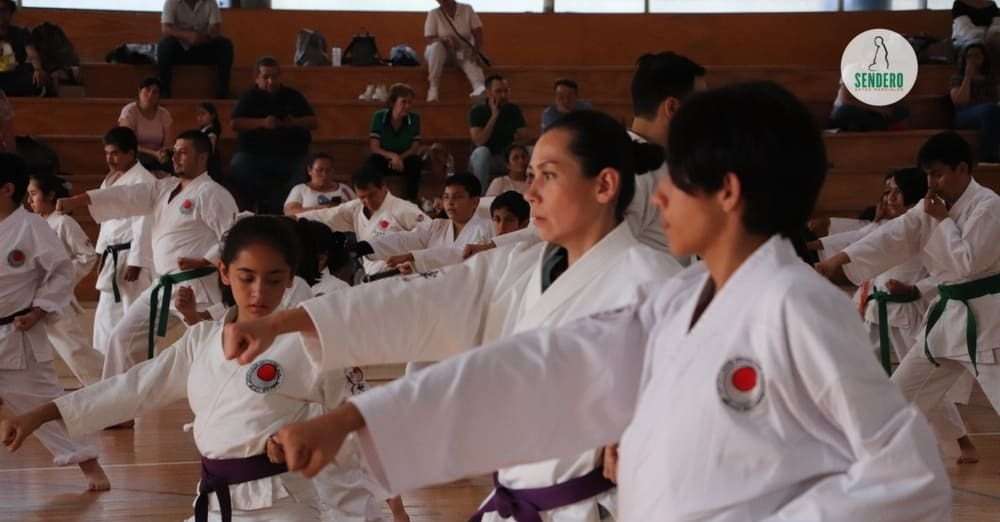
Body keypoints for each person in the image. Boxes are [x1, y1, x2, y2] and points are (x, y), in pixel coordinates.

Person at [246, 83, 951, 522]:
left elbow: (908, 477)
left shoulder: (796, 306)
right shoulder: (681, 303)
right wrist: (355, 417)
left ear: (728, 192)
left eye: (675, 180)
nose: (659, 198)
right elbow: (537, 368)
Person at [222, 110, 684, 522]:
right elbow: (421, 300)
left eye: (548, 176)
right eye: (531, 176)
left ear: (604, 185)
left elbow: (684, 414)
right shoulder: (519, 267)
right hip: (519, 499)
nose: (531, 193)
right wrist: (286, 321)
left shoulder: (651, 285)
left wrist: (646, 434)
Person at [0, 216, 385, 521]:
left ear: (289, 279)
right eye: (246, 277)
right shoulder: (202, 339)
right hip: (214, 503)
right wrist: (43, 413)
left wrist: (310, 440)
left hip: (283, 505)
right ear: (224, 273)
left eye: (274, 280)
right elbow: (134, 387)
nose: (258, 292)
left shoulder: (309, 342)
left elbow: (357, 420)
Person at [816, 130, 1000, 471]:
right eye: (928, 175)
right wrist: (838, 259)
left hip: (987, 323)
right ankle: (874, 464)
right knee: (900, 395)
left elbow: (968, 262)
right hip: (947, 322)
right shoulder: (930, 208)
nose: (932, 183)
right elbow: (892, 235)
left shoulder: (988, 207)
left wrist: (942, 221)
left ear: (962, 169)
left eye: (938, 174)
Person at [465, 52, 705, 261]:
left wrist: (494, 246)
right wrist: (494, 248)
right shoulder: (639, 169)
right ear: (672, 107)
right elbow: (592, 244)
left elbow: (563, 224)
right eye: (700, 105)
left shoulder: (620, 154)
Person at [56, 130, 238, 386]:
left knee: (212, 344)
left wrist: (206, 260)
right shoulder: (165, 188)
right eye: (175, 152)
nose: (176, 157)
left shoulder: (212, 193)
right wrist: (80, 199)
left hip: (197, 287)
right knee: (122, 339)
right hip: (162, 286)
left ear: (202, 157)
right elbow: (127, 195)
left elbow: (234, 234)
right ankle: (116, 400)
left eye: (183, 152)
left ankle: (230, 391)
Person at [0, 153, 108, 491]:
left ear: (7, 189)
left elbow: (61, 273)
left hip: (17, 333)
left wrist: (39, 309)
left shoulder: (32, 228)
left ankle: (90, 465)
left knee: (43, 402)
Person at [25, 173, 103, 388]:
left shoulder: (63, 222)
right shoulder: (34, 224)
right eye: (28, 195)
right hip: (32, 299)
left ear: (50, 195)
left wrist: (60, 280)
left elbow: (88, 256)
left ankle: (107, 388)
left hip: (55, 298)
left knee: (74, 349)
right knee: (27, 350)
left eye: (34, 194)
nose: (29, 200)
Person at [91, 127, 156, 360]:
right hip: (112, 255)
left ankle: (135, 369)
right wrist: (101, 254)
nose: (110, 159)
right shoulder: (110, 180)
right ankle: (105, 367)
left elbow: (144, 222)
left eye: (116, 153)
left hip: (130, 257)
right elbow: (106, 223)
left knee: (132, 318)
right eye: (107, 153)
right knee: (106, 316)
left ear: (131, 153)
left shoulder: (144, 180)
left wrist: (136, 261)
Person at [353, 173, 492, 276]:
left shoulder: (486, 229)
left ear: (475, 202)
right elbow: (406, 239)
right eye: (446, 197)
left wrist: (413, 257)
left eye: (457, 197)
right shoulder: (437, 226)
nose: (450, 202)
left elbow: (457, 255)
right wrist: (367, 247)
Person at [299, 168, 428, 275]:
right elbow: (325, 215)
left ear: (383, 187)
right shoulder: (356, 208)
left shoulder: (404, 209)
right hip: (371, 276)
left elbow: (432, 236)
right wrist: (294, 219)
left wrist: (413, 259)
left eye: (372, 195)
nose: (367, 201)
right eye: (362, 197)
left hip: (403, 275)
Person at [230, 57, 318, 215]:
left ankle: (284, 208)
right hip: (254, 155)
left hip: (291, 155)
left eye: (274, 76)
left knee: (305, 167)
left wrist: (294, 122)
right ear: (257, 78)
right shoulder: (248, 97)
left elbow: (313, 121)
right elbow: (235, 123)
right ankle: (258, 206)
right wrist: (262, 123)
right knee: (239, 164)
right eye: (266, 77)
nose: (271, 81)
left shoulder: (293, 96)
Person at [158, 0, 234, 99]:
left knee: (225, 45)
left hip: (203, 49)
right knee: (164, 46)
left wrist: (202, 37)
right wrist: (187, 35)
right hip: (180, 51)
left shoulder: (210, 2)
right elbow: (165, 29)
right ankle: (164, 91)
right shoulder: (171, 2)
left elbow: (216, 28)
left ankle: (223, 92)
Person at [366, 83, 423, 202]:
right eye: (404, 102)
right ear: (393, 102)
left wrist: (399, 158)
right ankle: (377, 197)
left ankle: (411, 200)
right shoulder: (379, 116)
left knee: (416, 162)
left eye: (410, 102)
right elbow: (374, 147)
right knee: (373, 161)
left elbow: (414, 148)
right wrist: (393, 156)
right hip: (385, 158)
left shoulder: (414, 118)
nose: (407, 106)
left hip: (404, 159)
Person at [469, 75, 526, 192]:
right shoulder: (477, 111)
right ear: (488, 93)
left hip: (506, 157)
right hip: (486, 159)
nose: (503, 95)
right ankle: (480, 196)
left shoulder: (513, 110)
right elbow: (479, 141)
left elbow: (525, 136)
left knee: (531, 150)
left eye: (506, 91)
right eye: (499, 91)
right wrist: (494, 116)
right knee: (482, 152)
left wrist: (517, 143)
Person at [424, 0, 486, 102]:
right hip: (440, 54)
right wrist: (444, 40)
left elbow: (478, 33)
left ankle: (479, 88)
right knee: (436, 47)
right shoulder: (433, 13)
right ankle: (433, 88)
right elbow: (429, 39)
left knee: (469, 55)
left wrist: (475, 52)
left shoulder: (467, 9)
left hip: (460, 51)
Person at [950, 43, 1000, 162]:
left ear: (984, 58)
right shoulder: (958, 78)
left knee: (991, 111)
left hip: (989, 112)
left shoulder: (991, 79)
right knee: (989, 110)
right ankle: (988, 155)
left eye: (977, 56)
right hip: (964, 114)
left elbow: (996, 98)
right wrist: (967, 77)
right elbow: (960, 101)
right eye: (969, 56)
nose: (972, 60)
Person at [118, 77, 175, 175]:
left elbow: (168, 142)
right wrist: (153, 154)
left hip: (158, 156)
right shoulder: (129, 111)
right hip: (136, 153)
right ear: (139, 91)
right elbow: (127, 142)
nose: (150, 95)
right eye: (147, 90)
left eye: (155, 92)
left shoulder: (164, 113)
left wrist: (162, 153)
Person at [284, 153, 356, 216]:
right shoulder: (300, 189)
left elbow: (358, 208)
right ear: (309, 170)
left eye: (328, 170)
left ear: (333, 171)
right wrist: (321, 209)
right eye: (319, 170)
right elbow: (289, 212)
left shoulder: (344, 189)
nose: (324, 174)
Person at [0, 0, 46, 97]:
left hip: (14, 74)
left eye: (3, 10)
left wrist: (38, 69)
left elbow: (32, 54)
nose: (1, 14)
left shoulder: (21, 32)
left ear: (10, 13)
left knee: (35, 78)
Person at [196, 101, 224, 181]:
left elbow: (210, 151)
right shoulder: (203, 131)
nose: (200, 117)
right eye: (198, 114)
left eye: (203, 114)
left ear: (212, 116)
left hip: (210, 166)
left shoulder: (212, 133)